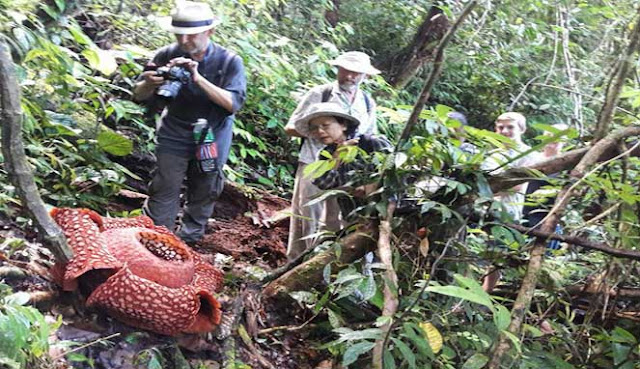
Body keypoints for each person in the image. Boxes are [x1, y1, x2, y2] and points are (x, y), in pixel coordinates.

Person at [132, 1, 247, 244]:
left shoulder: (229, 61)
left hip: (211, 134)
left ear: (210, 32)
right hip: (174, 129)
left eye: (191, 36)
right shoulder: (166, 54)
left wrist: (198, 78)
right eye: (179, 35)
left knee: (205, 186)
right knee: (165, 185)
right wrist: (150, 83)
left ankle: (189, 239)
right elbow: (138, 96)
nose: (184, 41)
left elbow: (233, 103)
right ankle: (156, 239)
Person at [284, 51, 380, 259]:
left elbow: (370, 135)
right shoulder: (321, 93)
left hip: (347, 171)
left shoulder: (367, 101)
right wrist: (323, 133)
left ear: (365, 76)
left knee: (337, 219)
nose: (350, 77)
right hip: (313, 163)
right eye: (346, 71)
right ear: (338, 69)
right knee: (307, 216)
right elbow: (291, 127)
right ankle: (297, 262)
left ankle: (327, 264)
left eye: (357, 73)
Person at [293, 102, 391, 220]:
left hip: (388, 212)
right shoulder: (326, 154)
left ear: (343, 125)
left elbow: (396, 173)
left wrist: (371, 186)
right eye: (314, 128)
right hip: (355, 217)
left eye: (325, 125)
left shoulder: (371, 142)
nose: (320, 131)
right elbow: (323, 183)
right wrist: (336, 157)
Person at [481, 112, 540, 292]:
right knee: (483, 251)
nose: (504, 131)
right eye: (500, 127)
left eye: (510, 127)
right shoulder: (492, 153)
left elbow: (519, 187)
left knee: (498, 253)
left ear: (522, 129)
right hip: (485, 209)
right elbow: (482, 183)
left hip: (509, 211)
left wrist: (493, 187)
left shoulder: (530, 155)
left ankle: (485, 293)